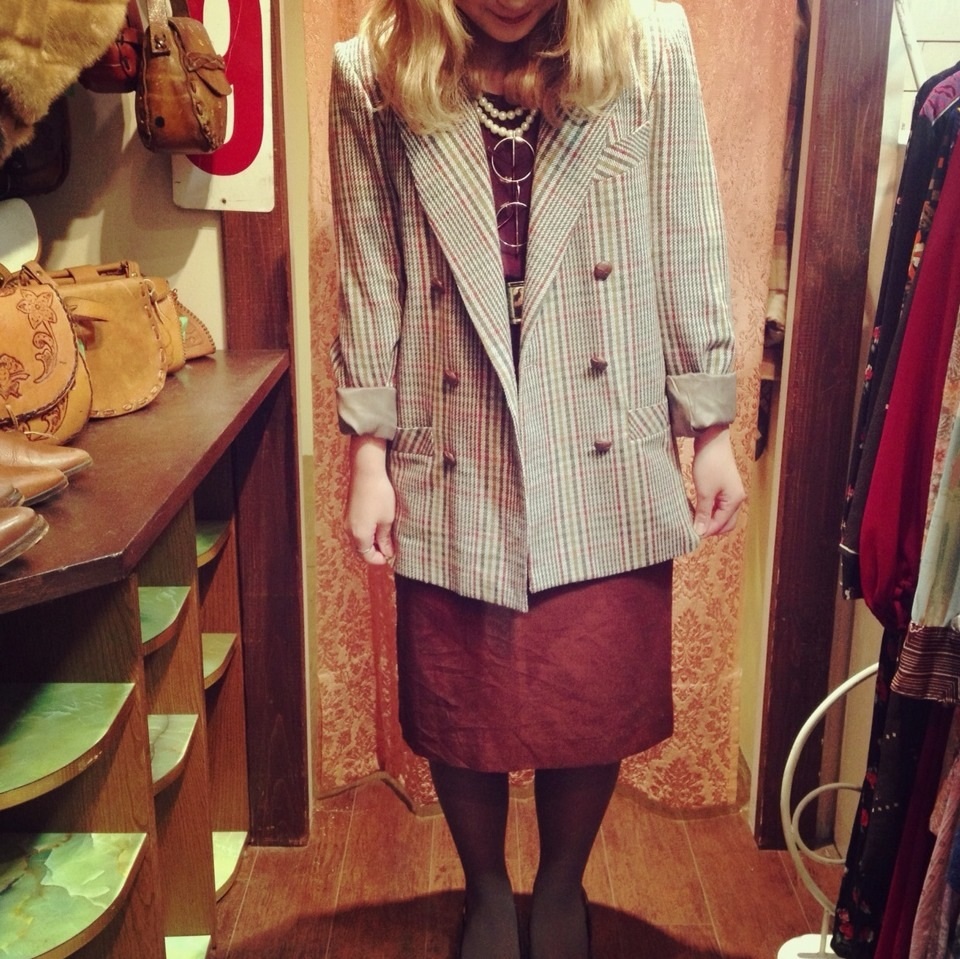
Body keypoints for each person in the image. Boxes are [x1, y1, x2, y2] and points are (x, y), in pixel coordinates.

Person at [328, 0, 745, 956]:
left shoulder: (649, 41)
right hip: (453, 421)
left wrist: (710, 426)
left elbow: (686, 228)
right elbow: (371, 267)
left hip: (602, 420)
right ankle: (484, 888)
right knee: (459, 690)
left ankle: (560, 885)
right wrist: (368, 454)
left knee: (586, 683)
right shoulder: (371, 69)